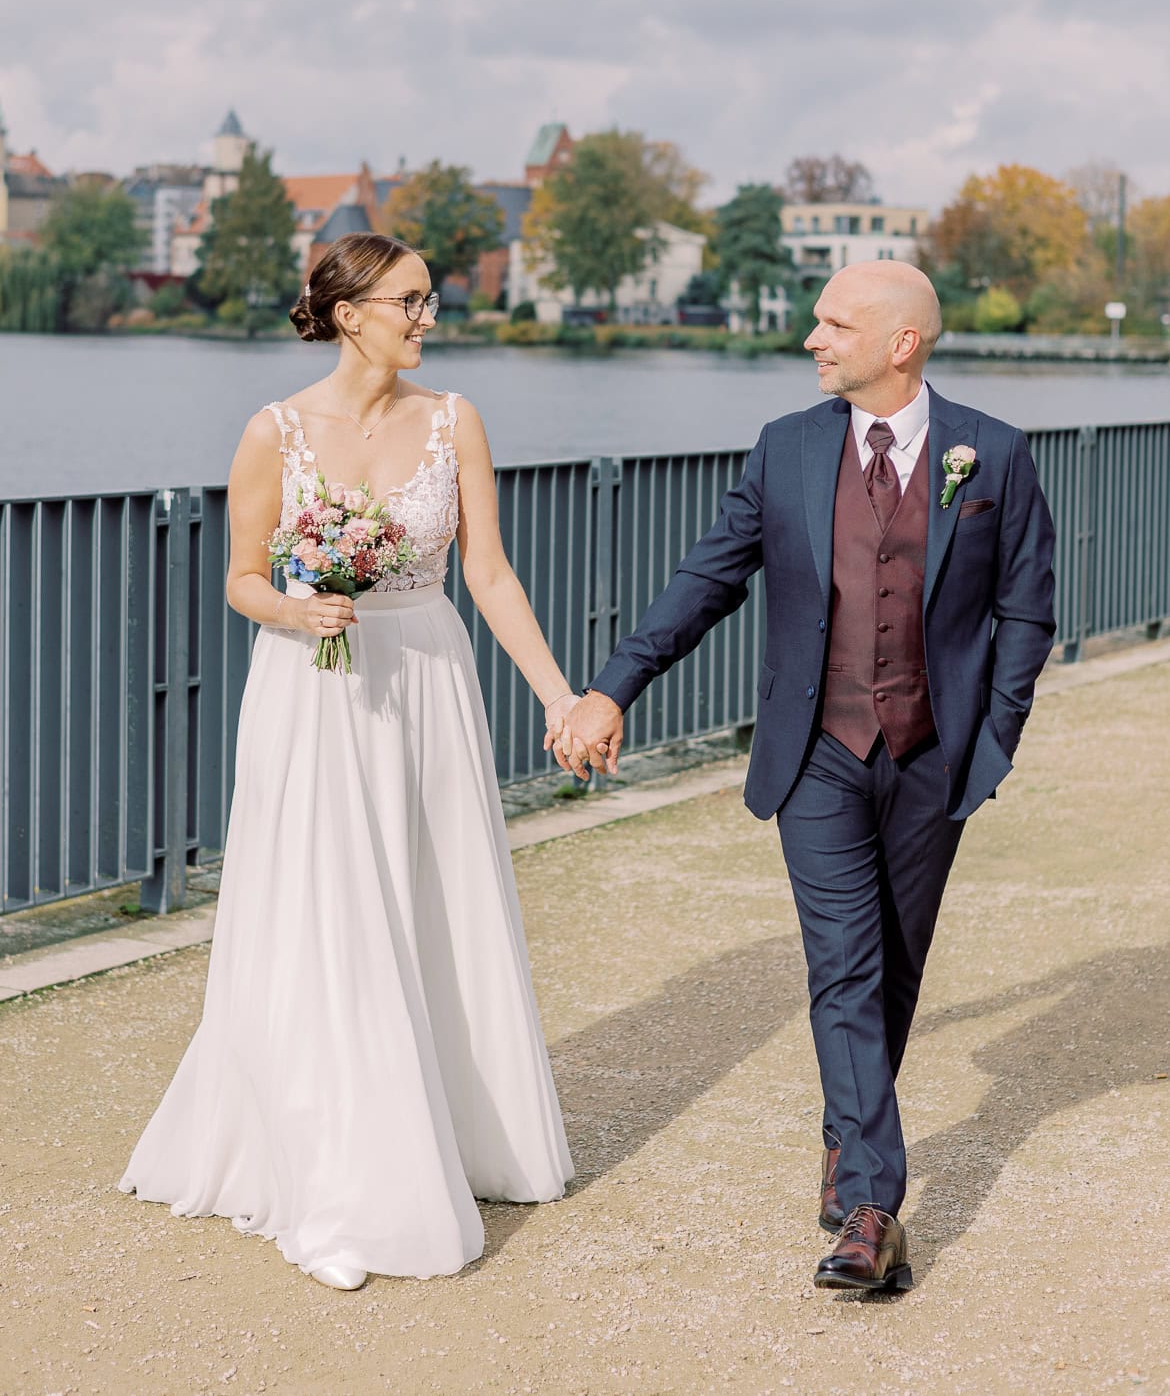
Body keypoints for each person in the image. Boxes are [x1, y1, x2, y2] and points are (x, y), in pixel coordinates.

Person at [552, 260, 1055, 1293]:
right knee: (845, 967)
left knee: (898, 964)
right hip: (818, 749)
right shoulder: (786, 448)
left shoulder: (991, 454)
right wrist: (614, 688)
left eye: (835, 324)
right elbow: (709, 576)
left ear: (901, 343)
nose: (812, 339)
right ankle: (874, 1206)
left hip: (936, 755)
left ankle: (846, 1128)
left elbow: (1027, 609)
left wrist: (992, 737)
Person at [121, 233, 577, 1290]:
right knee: (328, 913)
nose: (428, 319)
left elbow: (492, 576)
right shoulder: (271, 433)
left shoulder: (455, 422)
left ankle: (461, 1136)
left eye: (429, 300)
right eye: (410, 302)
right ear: (346, 309)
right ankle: (341, 1176)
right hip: (312, 685)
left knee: (431, 897)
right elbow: (240, 576)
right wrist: (296, 604)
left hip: (426, 675)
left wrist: (558, 697)